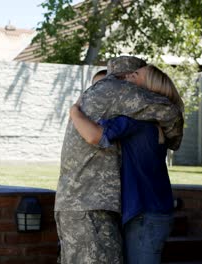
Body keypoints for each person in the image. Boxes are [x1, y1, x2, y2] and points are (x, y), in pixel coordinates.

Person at [55, 56, 184, 264]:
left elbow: (94, 136)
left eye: (137, 75)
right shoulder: (152, 125)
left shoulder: (136, 122)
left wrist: (74, 112)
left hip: (143, 215)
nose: (131, 78)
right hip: (153, 212)